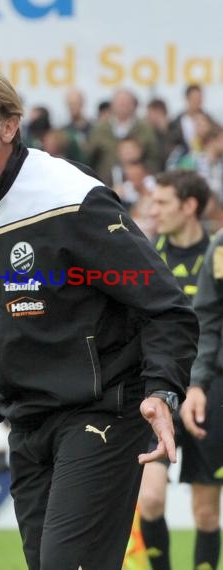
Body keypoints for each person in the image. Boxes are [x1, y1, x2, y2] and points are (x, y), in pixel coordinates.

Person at [0, 61, 199, 570]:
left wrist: (163, 390)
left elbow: (166, 305)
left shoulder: (69, 195)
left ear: (9, 125)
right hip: (26, 426)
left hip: (104, 411)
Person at [137, 170, 211, 570]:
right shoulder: (146, 256)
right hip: (161, 393)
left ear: (189, 206)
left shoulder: (215, 258)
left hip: (208, 395)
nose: (153, 210)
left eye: (162, 202)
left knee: (205, 513)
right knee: (149, 498)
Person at [179, 231, 223, 570]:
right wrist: (196, 386)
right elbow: (207, 319)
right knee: (206, 508)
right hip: (217, 390)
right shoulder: (221, 246)